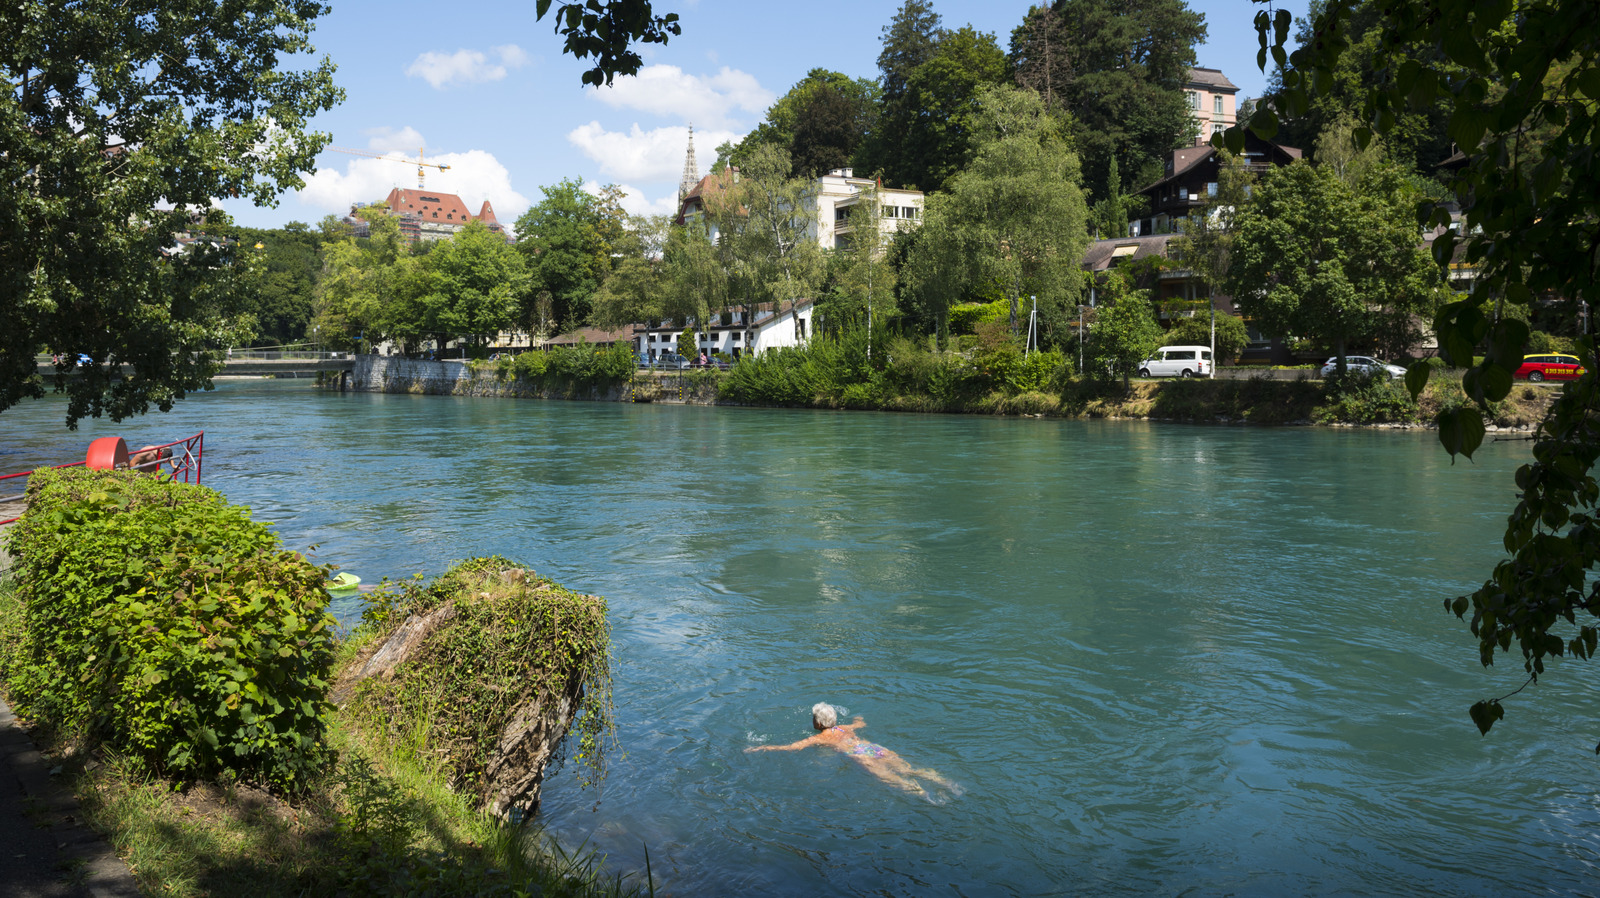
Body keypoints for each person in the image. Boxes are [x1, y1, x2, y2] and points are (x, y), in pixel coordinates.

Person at [746, 703, 961, 800]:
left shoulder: (820, 737)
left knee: (892, 779)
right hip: (873, 749)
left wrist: (762, 746)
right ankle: (946, 783)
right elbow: (861, 724)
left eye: (813, 717)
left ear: (819, 723)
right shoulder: (845, 728)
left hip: (859, 755)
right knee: (910, 768)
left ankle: (924, 794)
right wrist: (858, 717)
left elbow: (792, 747)